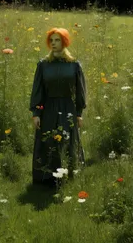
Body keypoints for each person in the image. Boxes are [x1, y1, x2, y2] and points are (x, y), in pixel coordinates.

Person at [29, 27, 87, 187]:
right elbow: (38, 90)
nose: (53, 43)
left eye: (57, 40)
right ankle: (47, 178)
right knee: (48, 140)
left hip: (68, 107)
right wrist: (36, 113)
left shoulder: (74, 65)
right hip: (48, 108)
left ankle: (69, 176)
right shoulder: (43, 65)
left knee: (68, 141)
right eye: (51, 40)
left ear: (64, 42)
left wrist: (79, 113)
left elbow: (80, 91)